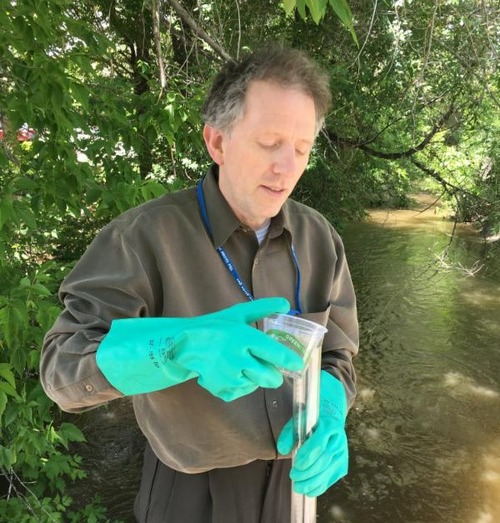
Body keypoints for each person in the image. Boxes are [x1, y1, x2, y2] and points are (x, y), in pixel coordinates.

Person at [40, 46, 359, 523]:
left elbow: (338, 356)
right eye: (269, 142)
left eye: (301, 147)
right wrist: (179, 347)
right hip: (188, 492)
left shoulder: (320, 239)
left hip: (293, 486)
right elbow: (61, 369)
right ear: (218, 142)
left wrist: (331, 414)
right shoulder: (143, 237)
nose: (286, 166)